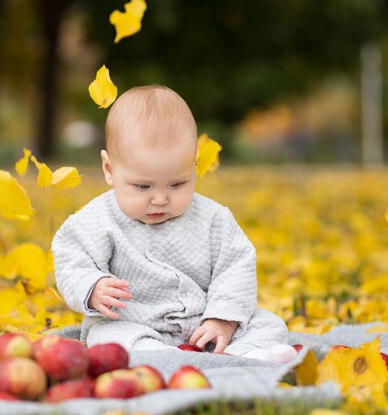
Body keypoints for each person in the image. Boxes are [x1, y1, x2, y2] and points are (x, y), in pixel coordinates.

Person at [52, 85, 296, 362]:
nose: (159, 199)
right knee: (105, 337)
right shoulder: (95, 221)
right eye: (142, 186)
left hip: (202, 322)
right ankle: (161, 356)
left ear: (193, 166)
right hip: (133, 321)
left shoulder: (213, 219)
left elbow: (235, 267)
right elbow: (72, 259)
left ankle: (244, 352)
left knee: (268, 323)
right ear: (110, 170)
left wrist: (221, 320)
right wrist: (92, 287)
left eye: (177, 184)